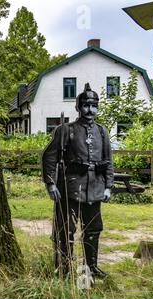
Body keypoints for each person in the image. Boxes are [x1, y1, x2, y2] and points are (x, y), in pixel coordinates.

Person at [42, 83, 114, 279]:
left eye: (94, 106)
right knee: (65, 231)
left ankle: (92, 268)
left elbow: (108, 161)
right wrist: (51, 183)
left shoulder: (101, 131)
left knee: (93, 229)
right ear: (78, 107)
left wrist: (108, 186)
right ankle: (63, 269)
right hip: (70, 188)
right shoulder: (66, 130)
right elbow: (49, 157)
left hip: (95, 189)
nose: (90, 110)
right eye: (86, 105)